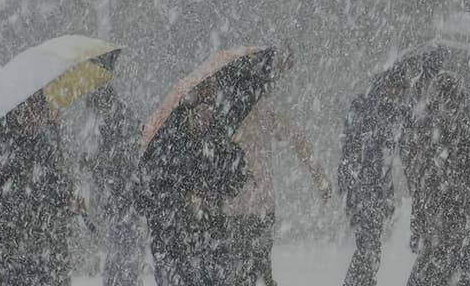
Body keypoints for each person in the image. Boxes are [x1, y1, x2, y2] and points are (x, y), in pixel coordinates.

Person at [0, 93, 75, 286]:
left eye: (38, 111)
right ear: (16, 110)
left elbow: (57, 189)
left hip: (41, 252)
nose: (33, 117)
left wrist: (69, 196)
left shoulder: (45, 143)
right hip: (1, 252)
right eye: (29, 111)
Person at [399, 62, 470, 286]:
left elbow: (420, 185)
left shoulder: (434, 133)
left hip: (448, 229)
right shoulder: (461, 132)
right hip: (454, 229)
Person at [224, 94, 332, 286]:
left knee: (243, 271)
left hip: (237, 207)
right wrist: (319, 176)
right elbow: (296, 137)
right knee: (260, 268)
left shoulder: (224, 113)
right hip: (259, 205)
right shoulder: (261, 110)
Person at [140, 100, 249, 286]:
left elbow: (235, 180)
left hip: (208, 230)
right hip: (178, 232)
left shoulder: (218, 141)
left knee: (212, 273)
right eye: (199, 112)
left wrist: (212, 191)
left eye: (208, 111)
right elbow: (153, 185)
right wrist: (182, 196)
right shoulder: (168, 141)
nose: (204, 116)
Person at [338, 90, 404, 286]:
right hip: (367, 194)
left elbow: (382, 165)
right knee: (368, 250)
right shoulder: (375, 116)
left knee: (368, 250)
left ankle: (364, 281)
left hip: (366, 194)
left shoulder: (369, 114)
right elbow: (376, 163)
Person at [84, 85, 144, 286]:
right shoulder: (107, 123)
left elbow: (128, 161)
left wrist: (101, 164)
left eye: (97, 108)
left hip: (124, 200)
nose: (97, 113)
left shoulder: (124, 122)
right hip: (114, 201)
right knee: (119, 255)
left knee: (123, 256)